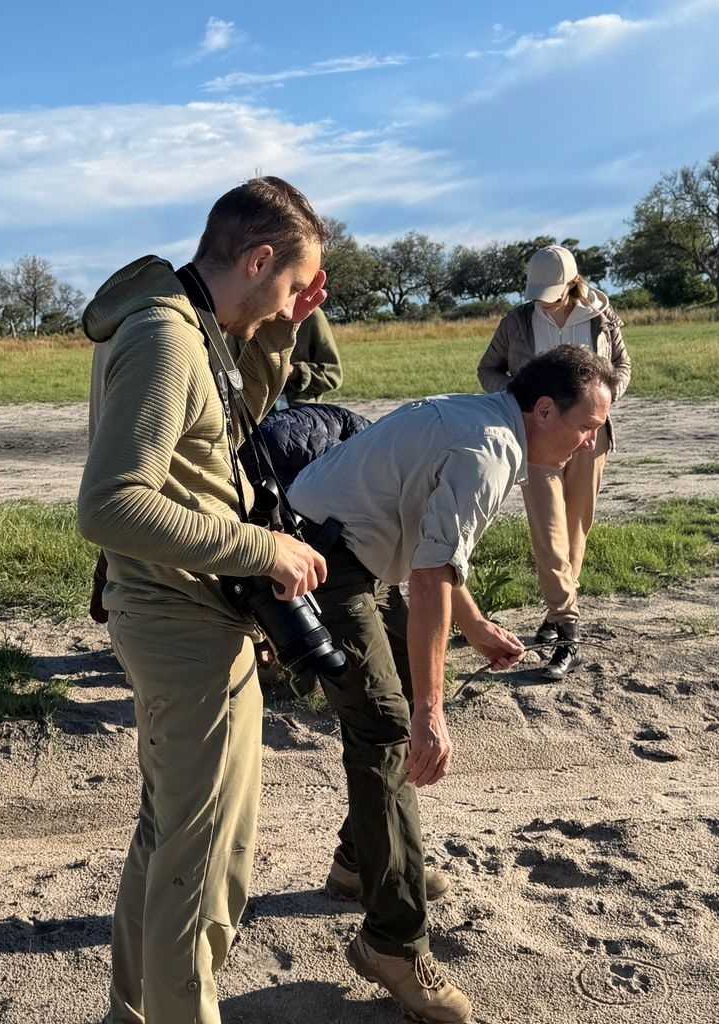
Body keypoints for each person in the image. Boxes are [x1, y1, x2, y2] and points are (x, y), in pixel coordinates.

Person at [287, 344, 618, 1024]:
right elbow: (431, 579)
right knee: (388, 729)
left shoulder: (487, 427)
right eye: (589, 426)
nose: (591, 443)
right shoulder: (487, 453)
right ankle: (393, 945)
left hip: (357, 555)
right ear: (545, 408)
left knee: (398, 709)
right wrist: (431, 712)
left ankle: (357, 864)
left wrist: (477, 626)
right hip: (320, 564)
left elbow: (434, 555)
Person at [77, 177, 330, 1024]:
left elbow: (218, 441)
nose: (295, 299)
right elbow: (111, 503)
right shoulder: (163, 338)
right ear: (258, 259)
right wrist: (267, 548)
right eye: (291, 284)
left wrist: (282, 326)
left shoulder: (190, 327)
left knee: (171, 838)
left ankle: (134, 1013)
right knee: (204, 860)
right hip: (182, 621)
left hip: (181, 611)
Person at [476, 245, 631, 680]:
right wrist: (517, 400)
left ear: (572, 284)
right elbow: (489, 368)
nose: (543, 300)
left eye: (552, 292)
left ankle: (556, 613)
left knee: (576, 527)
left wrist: (604, 401)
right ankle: (568, 627)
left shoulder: (601, 316)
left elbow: (622, 365)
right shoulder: (517, 321)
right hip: (540, 442)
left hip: (590, 438)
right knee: (548, 530)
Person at [278, 306, 342, 407]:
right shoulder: (250, 312)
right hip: (254, 413)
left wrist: (294, 372)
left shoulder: (311, 313)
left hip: (296, 411)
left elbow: (332, 375)